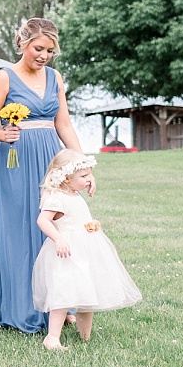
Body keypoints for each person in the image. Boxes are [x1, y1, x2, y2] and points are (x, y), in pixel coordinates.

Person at [0, 18, 89, 334]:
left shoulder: (55, 78)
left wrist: (80, 165)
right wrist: (3, 135)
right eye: (39, 48)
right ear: (23, 43)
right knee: (19, 227)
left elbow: (63, 123)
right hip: (17, 159)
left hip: (51, 160)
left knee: (55, 226)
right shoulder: (4, 77)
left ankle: (58, 301)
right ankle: (19, 304)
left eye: (50, 51)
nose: (44, 55)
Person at [33, 150, 141, 350]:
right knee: (63, 293)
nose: (89, 179)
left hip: (86, 250)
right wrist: (58, 238)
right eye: (83, 176)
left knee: (87, 292)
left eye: (89, 174)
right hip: (67, 252)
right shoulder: (57, 198)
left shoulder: (74, 194)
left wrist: (87, 181)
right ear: (66, 178)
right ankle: (52, 338)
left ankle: (85, 337)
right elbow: (43, 220)